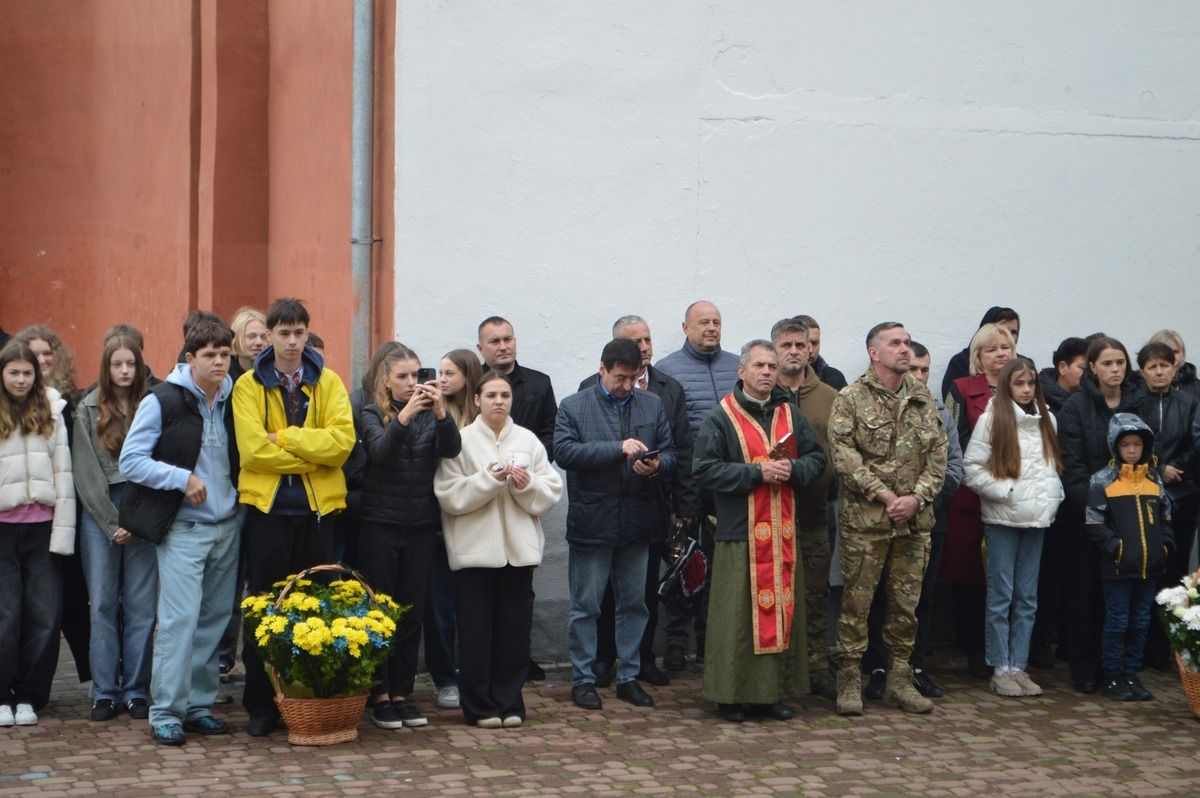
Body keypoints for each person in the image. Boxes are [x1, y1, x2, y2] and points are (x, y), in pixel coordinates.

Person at [232, 297, 355, 737]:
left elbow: (341, 445)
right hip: (267, 511)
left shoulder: (330, 383)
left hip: (317, 512)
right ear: (269, 336)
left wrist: (284, 437)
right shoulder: (248, 385)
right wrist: (311, 454)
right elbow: (252, 451)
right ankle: (261, 706)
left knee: (315, 610)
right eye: (282, 333)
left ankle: (310, 700)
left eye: (298, 332)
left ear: (307, 333)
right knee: (265, 606)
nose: (291, 341)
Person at [118, 318, 242, 745]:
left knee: (214, 620)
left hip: (228, 525)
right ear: (190, 358)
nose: (219, 362)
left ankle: (198, 705)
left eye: (225, 354)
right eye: (210, 355)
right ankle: (165, 711)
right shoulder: (163, 400)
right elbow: (130, 461)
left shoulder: (235, 396)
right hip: (184, 528)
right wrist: (181, 478)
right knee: (179, 621)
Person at [694, 339, 826, 722]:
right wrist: (756, 472)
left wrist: (793, 470)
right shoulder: (721, 416)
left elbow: (817, 459)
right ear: (742, 371)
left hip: (783, 533)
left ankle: (769, 695)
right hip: (740, 535)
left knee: (780, 615)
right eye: (760, 366)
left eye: (772, 366)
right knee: (737, 619)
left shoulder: (789, 412)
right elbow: (703, 469)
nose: (767, 372)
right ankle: (730, 696)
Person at [829, 322, 947, 717]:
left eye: (908, 343)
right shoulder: (850, 398)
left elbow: (939, 455)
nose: (905, 350)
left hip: (913, 524)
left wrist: (916, 498)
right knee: (856, 604)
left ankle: (900, 679)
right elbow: (844, 456)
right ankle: (849, 678)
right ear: (874, 353)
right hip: (867, 523)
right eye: (896, 343)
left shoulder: (922, 398)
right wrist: (885, 496)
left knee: (905, 607)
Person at [434, 371, 563, 727]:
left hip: (518, 554)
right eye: (491, 395)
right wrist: (488, 480)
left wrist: (526, 484)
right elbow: (448, 494)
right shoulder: (459, 441)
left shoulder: (528, 440)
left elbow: (550, 491)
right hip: (474, 553)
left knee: (514, 633)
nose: (498, 401)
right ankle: (479, 706)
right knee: (476, 633)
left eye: (504, 395)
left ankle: (510, 702)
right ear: (476, 399)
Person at [554, 338, 676, 711]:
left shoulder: (652, 404)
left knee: (633, 604)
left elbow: (672, 452)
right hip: (593, 522)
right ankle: (584, 679)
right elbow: (563, 452)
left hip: (638, 521)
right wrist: (615, 448)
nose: (626, 385)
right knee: (586, 606)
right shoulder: (574, 406)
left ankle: (628, 677)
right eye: (620, 377)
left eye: (633, 378)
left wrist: (657, 466)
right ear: (602, 369)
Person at [580, 315, 696, 688]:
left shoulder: (668, 389)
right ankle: (602, 659)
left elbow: (681, 449)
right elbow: (573, 449)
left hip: (651, 505)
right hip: (603, 510)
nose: (644, 347)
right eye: (635, 342)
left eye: (647, 339)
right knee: (603, 593)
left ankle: (643, 658)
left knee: (643, 591)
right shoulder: (587, 391)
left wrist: (682, 500)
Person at [359, 344, 462, 730]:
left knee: (411, 612)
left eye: (416, 375)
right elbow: (381, 454)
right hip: (380, 525)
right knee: (380, 609)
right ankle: (379, 693)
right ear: (385, 380)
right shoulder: (372, 414)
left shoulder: (428, 416)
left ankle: (402, 692)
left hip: (420, 524)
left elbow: (452, 449)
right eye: (402, 376)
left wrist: (439, 412)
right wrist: (403, 417)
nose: (411, 383)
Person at [861, 341, 963, 701]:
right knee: (876, 597)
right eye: (914, 368)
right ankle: (876, 667)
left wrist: (918, 499)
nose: (919, 375)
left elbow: (951, 468)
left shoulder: (938, 412)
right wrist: (891, 500)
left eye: (925, 370)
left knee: (920, 598)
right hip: (880, 516)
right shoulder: (868, 404)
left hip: (926, 519)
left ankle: (913, 667)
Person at [962, 359, 1064, 697]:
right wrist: (1005, 492)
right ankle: (999, 666)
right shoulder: (993, 419)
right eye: (1018, 383)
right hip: (1003, 518)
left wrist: (1053, 497)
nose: (1025, 390)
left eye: (1030, 383)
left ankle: (1019, 665)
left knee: (1027, 597)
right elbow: (972, 468)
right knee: (1001, 596)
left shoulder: (1047, 419)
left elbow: (1051, 467)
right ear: (1007, 385)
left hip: (1036, 519)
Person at [73, 335, 157, 721]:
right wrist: (112, 522)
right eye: (117, 365)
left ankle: (137, 690)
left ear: (140, 367)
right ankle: (104, 692)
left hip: (143, 512)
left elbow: (159, 464)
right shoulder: (88, 409)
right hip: (101, 512)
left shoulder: (153, 405)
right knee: (103, 604)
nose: (124, 371)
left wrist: (138, 520)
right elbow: (86, 474)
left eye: (130, 364)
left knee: (141, 608)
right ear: (106, 369)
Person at [654, 300, 739, 670]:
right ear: (685, 327)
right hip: (686, 484)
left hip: (730, 484)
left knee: (723, 567)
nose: (711, 328)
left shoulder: (738, 367)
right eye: (703, 322)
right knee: (683, 564)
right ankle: (675, 640)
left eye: (717, 322)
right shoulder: (667, 371)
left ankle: (711, 641)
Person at [1057, 336, 1143, 693]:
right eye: (1107, 363)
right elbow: (1072, 468)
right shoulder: (1075, 407)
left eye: (1120, 362)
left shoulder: (1138, 405)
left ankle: (1120, 666)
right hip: (1087, 517)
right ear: (1092, 367)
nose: (1115, 370)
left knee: (1125, 595)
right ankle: (1085, 666)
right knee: (1086, 594)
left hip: (1132, 515)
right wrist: (1101, 507)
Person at [476, 316, 556, 681]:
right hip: (480, 501)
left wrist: (531, 469)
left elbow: (550, 433)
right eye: (494, 341)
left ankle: (521, 658)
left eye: (508, 338)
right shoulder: (470, 384)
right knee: (482, 595)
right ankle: (483, 661)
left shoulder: (539, 383)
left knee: (520, 591)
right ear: (481, 348)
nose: (503, 345)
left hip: (523, 495)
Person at [0, 341, 74, 727]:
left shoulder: (53, 410)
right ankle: (2, 693)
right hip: (3, 530)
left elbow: (64, 473)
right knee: (6, 615)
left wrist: (64, 533)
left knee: (44, 616)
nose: (21, 379)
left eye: (27, 372)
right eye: (13, 372)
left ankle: (30, 695)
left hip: (43, 527)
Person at [15, 325, 89, 686]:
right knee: (14, 610)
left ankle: (36, 688)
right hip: (14, 522)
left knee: (55, 608)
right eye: (33, 355)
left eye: (48, 353)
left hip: (60, 516)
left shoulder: (67, 405)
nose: (43, 360)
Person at [770, 317, 838, 699]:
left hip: (815, 514)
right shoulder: (764, 393)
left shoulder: (830, 397)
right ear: (775, 349)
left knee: (815, 592)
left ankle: (815, 663)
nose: (794, 351)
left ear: (811, 348)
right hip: (770, 517)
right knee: (775, 592)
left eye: (800, 345)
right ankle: (780, 665)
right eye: (786, 345)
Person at [943, 322, 1016, 678]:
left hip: (1014, 496)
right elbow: (953, 439)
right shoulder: (961, 389)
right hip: (970, 497)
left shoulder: (1024, 389)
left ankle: (1005, 651)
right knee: (970, 575)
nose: (1001, 353)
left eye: (1006, 347)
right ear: (978, 356)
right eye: (992, 349)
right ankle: (973, 648)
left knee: (1005, 578)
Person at [1086, 413, 1173, 701]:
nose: (1133, 450)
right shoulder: (1103, 481)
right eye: (1127, 445)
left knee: (1140, 621)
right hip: (1118, 568)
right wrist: (1116, 548)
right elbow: (1094, 522)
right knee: (1117, 621)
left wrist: (1164, 546)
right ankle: (1112, 675)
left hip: (1150, 567)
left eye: (1137, 444)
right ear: (1116, 447)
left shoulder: (1154, 480)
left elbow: (1166, 517)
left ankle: (1132, 672)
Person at [423, 348, 483, 711]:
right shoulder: (431, 411)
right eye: (440, 372)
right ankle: (444, 676)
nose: (442, 379)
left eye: (450, 373)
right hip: (436, 518)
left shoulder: (479, 415)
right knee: (439, 604)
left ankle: (475, 671)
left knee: (471, 604)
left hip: (474, 518)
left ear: (468, 376)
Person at [1134, 341, 1197, 670]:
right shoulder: (1136, 403)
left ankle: (1165, 649)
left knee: (1175, 574)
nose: (1159, 372)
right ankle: (1140, 647)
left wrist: (1176, 467)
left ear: (1175, 368)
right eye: (1152, 367)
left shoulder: (1188, 403)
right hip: (1143, 497)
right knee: (1146, 570)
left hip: (1181, 495)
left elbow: (1193, 441)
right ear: (1142, 371)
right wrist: (1158, 469)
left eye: (1164, 366)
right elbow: (1131, 444)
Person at [1029, 336, 1089, 669]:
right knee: (1046, 579)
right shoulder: (1046, 406)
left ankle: (1067, 642)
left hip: (1078, 502)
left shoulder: (1089, 401)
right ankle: (1041, 643)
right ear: (1062, 367)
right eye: (1083, 367)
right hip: (1049, 501)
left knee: (1074, 580)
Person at [940, 306, 1022, 399]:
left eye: (1014, 332)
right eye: (1003, 330)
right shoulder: (961, 362)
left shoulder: (1023, 364)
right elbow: (951, 403)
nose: (1008, 336)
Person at [793, 314, 847, 391]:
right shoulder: (773, 379)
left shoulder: (835, 378)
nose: (810, 350)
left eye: (814, 343)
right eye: (803, 343)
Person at [1148, 329, 1200, 402]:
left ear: (1183, 354)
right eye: (1164, 351)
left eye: (1175, 352)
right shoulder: (1139, 387)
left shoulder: (1197, 387)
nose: (1171, 357)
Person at [229, 307, 268, 383]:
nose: (259, 342)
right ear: (237, 338)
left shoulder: (274, 373)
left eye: (263, 337)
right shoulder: (225, 377)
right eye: (252, 336)